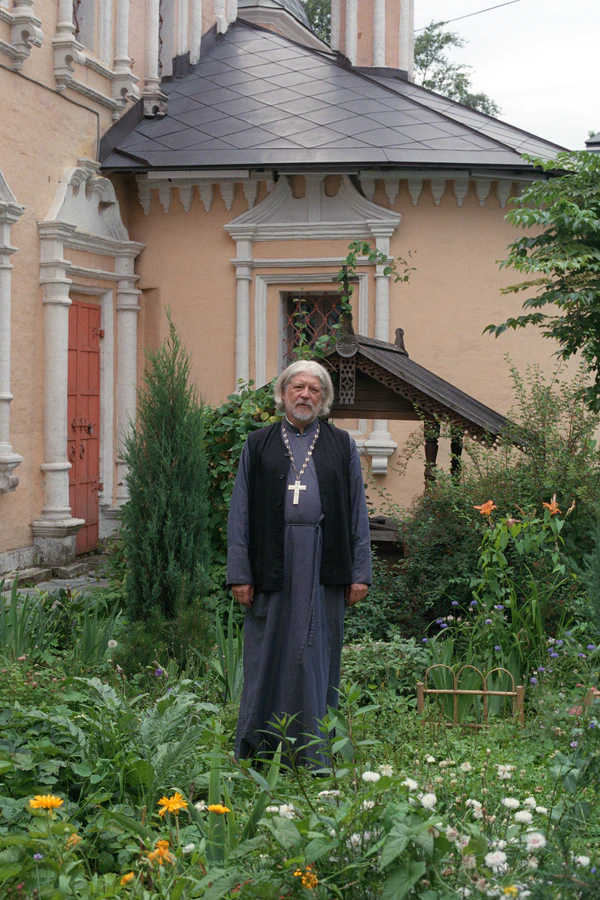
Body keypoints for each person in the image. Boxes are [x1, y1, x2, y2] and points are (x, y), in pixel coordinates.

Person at [227, 360, 371, 767]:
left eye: (314, 389)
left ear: (323, 398)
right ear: (283, 393)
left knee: (316, 654)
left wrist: (360, 573)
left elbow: (357, 512)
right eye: (298, 387)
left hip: (324, 561)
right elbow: (240, 512)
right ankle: (260, 749)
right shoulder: (258, 443)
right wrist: (239, 573)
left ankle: (314, 752)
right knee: (267, 654)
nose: (305, 395)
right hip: (272, 561)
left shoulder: (341, 445)